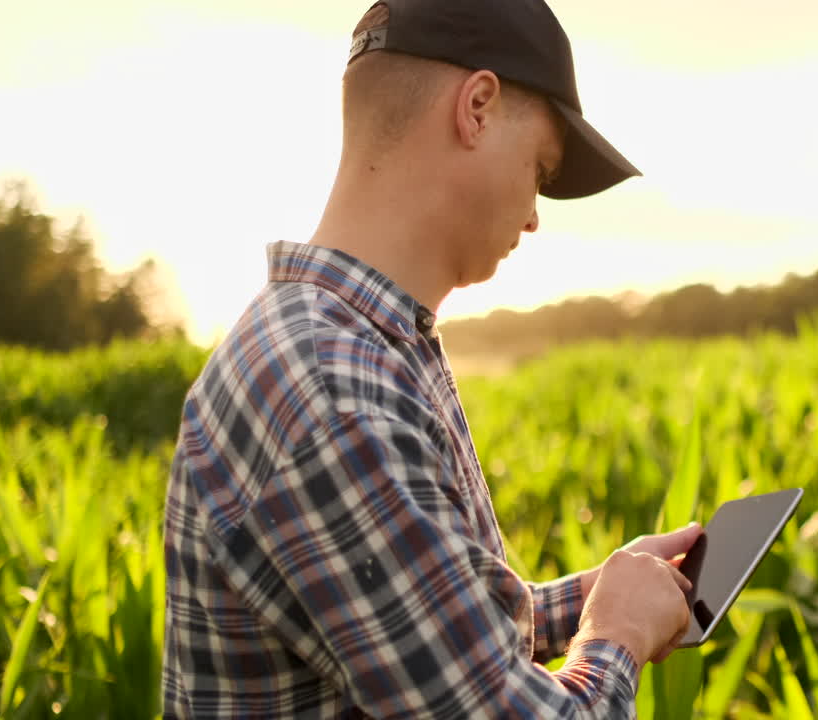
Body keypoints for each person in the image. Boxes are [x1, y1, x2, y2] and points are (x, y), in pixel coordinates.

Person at [162, 0, 704, 716]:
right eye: (539, 169)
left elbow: (428, 640)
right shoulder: (336, 394)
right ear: (476, 107)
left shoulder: (344, 348)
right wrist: (619, 635)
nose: (537, 215)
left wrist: (604, 594)